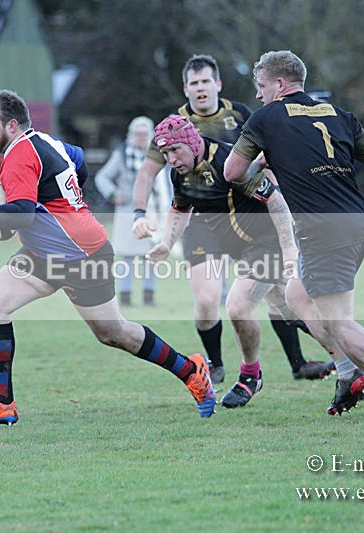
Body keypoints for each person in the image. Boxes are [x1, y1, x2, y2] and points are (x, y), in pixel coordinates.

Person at [0, 89, 216, 426]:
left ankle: (191, 370)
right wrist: (72, 205)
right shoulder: (49, 142)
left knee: (113, 333)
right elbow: (78, 163)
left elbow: (21, 215)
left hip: (83, 256)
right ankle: (1, 403)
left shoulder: (18, 155)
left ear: (12, 125)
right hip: (42, 254)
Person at [225, 50, 364, 420]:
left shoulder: (266, 119)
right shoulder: (337, 114)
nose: (258, 95)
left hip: (322, 231)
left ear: (280, 84)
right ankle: (348, 375)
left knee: (338, 321)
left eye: (261, 87)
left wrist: (262, 161)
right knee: (297, 294)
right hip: (354, 224)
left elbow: (233, 172)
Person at [132, 53, 329, 384]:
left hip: (247, 219)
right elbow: (150, 175)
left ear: (217, 84)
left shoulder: (240, 113)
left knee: (277, 296)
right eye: (194, 83)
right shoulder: (174, 127)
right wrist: (144, 219)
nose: (200, 88)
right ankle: (217, 365)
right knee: (209, 298)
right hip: (204, 226)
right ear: (186, 89)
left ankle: (301, 362)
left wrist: (282, 196)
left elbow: (268, 157)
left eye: (205, 81)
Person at [146, 115, 299, 408]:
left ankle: (252, 375)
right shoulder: (180, 173)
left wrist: (289, 247)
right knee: (292, 306)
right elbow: (179, 207)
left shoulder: (230, 162)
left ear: (192, 142)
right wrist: (166, 243)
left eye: (175, 150)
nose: (171, 159)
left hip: (269, 239)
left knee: (242, 305)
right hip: (246, 246)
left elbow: (276, 201)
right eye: (165, 153)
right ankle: (348, 367)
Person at [94, 116, 165, 307]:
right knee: (127, 256)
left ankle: (149, 297)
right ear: (131, 135)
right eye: (137, 134)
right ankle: (125, 297)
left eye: (145, 134)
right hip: (128, 212)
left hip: (153, 211)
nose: (141, 137)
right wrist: (113, 194)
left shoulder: (160, 155)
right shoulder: (122, 155)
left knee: (152, 255)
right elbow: (102, 177)